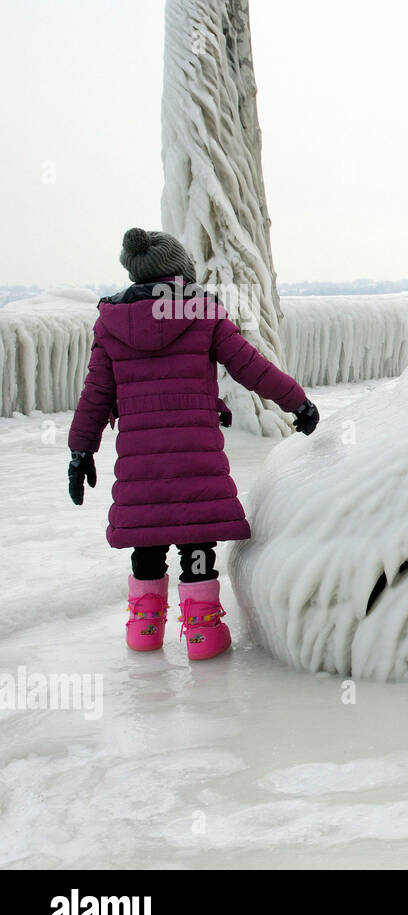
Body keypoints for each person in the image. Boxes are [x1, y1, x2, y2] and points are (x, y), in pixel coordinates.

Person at [67, 228, 319, 661]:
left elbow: (95, 395)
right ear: (181, 270)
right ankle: (203, 635)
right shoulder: (201, 312)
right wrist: (297, 402)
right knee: (195, 540)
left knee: (147, 542)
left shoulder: (111, 323)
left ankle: (144, 630)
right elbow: (250, 367)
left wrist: (80, 451)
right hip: (196, 461)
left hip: (140, 468)